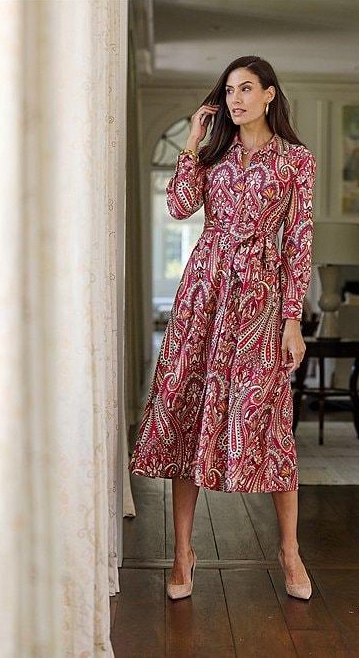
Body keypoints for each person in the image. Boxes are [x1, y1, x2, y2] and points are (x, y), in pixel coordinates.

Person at [129, 55, 317, 601]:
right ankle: (182, 555)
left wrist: (291, 321)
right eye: (230, 90)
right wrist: (192, 142)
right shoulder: (212, 155)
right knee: (188, 413)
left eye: (246, 89)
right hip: (203, 294)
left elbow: (299, 243)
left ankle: (289, 551)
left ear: (269, 94)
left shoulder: (296, 161)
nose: (236, 99)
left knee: (269, 421)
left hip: (259, 301)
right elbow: (179, 206)